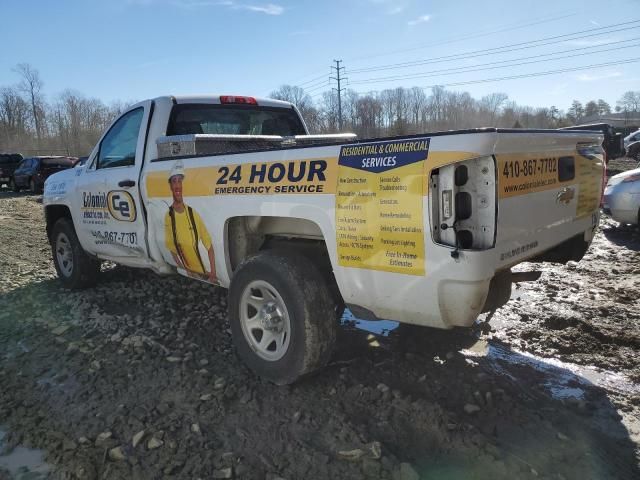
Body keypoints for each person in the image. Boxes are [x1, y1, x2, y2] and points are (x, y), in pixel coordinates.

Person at [164, 161, 217, 283]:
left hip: (205, 274)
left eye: (179, 181)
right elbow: (172, 248)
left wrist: (213, 274)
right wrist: (184, 269)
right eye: (174, 181)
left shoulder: (193, 213)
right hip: (188, 273)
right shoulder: (169, 216)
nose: (177, 185)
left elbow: (209, 246)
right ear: (171, 186)